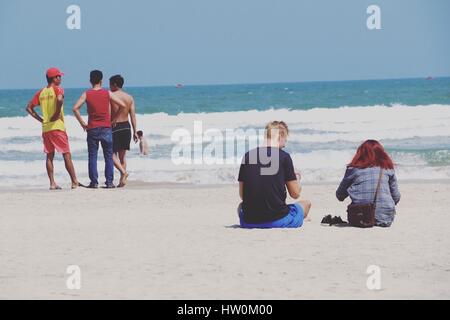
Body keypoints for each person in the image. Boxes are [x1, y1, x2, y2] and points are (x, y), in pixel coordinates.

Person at [237, 121, 312, 229]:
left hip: (249, 221)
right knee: (306, 204)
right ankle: (300, 217)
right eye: (285, 139)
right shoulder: (284, 157)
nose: (285, 144)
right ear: (280, 135)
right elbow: (295, 194)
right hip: (277, 220)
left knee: (240, 207)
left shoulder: (248, 156)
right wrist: (296, 177)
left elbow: (243, 196)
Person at [26, 67, 81, 190]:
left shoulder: (41, 92)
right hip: (57, 127)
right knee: (66, 154)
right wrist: (56, 114)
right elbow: (60, 99)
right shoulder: (58, 89)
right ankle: (74, 181)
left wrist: (41, 120)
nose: (60, 78)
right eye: (58, 76)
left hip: (46, 129)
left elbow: (29, 108)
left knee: (49, 156)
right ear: (53, 78)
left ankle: (52, 183)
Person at [72, 70, 126, 189]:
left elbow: (75, 108)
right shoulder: (107, 93)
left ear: (91, 81)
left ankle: (94, 182)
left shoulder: (87, 94)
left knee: (92, 156)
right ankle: (109, 182)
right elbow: (122, 105)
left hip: (92, 129)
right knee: (108, 156)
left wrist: (82, 123)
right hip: (106, 128)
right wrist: (114, 120)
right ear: (101, 81)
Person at [336, 140, 401, 227]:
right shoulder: (388, 169)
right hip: (385, 218)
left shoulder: (353, 169)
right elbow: (396, 197)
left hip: (360, 217)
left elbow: (340, 195)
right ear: (382, 154)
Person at [109, 75, 138, 187]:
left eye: (110, 84)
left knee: (111, 154)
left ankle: (123, 173)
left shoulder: (111, 96)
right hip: (126, 127)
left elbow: (108, 112)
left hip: (115, 126)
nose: (109, 86)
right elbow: (133, 116)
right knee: (122, 156)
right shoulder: (129, 98)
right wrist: (135, 131)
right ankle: (122, 181)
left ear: (115, 84)